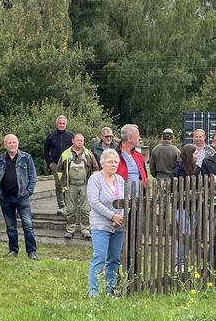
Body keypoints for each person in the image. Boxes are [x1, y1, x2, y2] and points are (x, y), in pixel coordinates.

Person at [0, 134, 39, 259]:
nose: (12, 145)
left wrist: (28, 192)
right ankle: (13, 251)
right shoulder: (0, 160)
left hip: (22, 197)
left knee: (27, 225)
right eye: (10, 143)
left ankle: (32, 252)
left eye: (14, 142)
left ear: (18, 143)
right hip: (6, 198)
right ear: (5, 145)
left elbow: (33, 177)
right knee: (11, 227)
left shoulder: (26, 158)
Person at [86, 149, 125, 297]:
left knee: (114, 259)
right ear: (102, 163)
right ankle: (93, 292)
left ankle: (111, 289)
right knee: (99, 257)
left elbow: (124, 201)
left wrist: (119, 217)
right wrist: (112, 216)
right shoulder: (95, 179)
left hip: (118, 226)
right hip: (100, 225)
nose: (113, 164)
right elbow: (94, 202)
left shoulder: (120, 179)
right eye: (110, 161)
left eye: (115, 161)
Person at [57, 132, 98, 239]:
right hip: (71, 186)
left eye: (82, 140)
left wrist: (92, 183)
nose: (80, 142)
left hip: (85, 185)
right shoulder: (65, 154)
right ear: (73, 141)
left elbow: (95, 169)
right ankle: (70, 230)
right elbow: (59, 170)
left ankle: (86, 230)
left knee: (86, 209)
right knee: (70, 209)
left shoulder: (88, 154)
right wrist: (64, 184)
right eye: (78, 140)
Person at [44, 115, 73, 215]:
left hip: (69, 164)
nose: (61, 125)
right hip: (56, 164)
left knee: (69, 184)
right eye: (60, 123)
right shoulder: (51, 136)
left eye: (63, 123)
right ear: (57, 124)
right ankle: (61, 206)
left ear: (66, 124)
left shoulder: (71, 136)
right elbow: (46, 151)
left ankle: (69, 206)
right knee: (59, 185)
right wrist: (50, 163)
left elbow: (77, 149)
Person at [116, 124, 148, 189]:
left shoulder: (139, 156)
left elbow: (145, 177)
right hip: (120, 197)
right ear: (129, 139)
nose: (140, 138)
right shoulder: (114, 156)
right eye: (138, 135)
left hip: (139, 197)